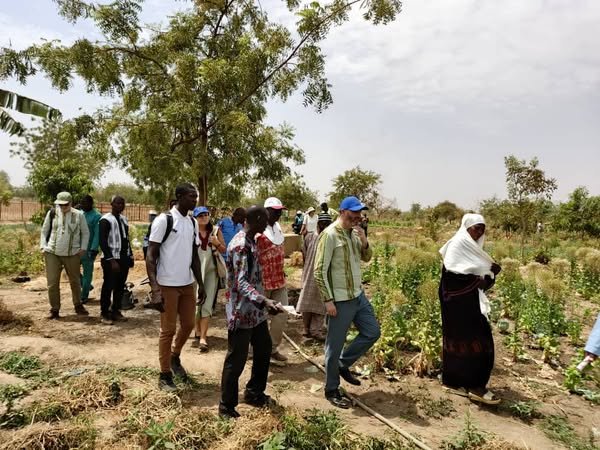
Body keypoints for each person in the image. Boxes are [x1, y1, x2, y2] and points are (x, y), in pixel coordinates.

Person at [219, 206, 285, 419]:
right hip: (241, 311)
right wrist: (265, 300)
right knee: (236, 360)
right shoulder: (240, 245)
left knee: (264, 349)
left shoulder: (251, 241)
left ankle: (254, 392)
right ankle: (226, 407)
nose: (267, 224)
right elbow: (241, 283)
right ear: (255, 219)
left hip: (255, 312)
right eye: (264, 220)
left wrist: (263, 303)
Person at [314, 196, 380, 409]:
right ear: (342, 211)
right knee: (334, 346)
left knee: (372, 331)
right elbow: (319, 271)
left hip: (357, 295)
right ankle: (331, 389)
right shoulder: (330, 235)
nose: (358, 217)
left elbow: (367, 258)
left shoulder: (354, 233)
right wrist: (328, 300)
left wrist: (365, 240)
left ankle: (343, 364)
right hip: (340, 300)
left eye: (359, 214)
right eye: (353, 214)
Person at [146, 183, 206, 392]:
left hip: (187, 284)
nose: (194, 200)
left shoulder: (191, 221)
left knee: (189, 324)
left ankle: (175, 356)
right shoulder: (165, 220)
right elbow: (151, 255)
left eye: (196, 196)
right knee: (168, 330)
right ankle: (164, 374)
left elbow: (194, 257)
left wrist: (201, 284)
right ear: (179, 196)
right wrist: (155, 289)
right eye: (191, 196)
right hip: (167, 284)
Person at [438, 213, 502, 405]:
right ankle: (475, 386)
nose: (479, 232)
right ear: (466, 228)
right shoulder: (458, 245)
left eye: (482, 228)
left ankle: (455, 382)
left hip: (468, 303)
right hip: (456, 304)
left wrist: (489, 276)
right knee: (478, 343)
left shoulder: (473, 249)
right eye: (476, 228)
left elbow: (479, 281)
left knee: (464, 342)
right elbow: (452, 280)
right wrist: (483, 278)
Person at [40, 192, 90, 319]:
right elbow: (44, 230)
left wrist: (83, 248)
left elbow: (85, 233)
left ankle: (78, 305)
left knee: (75, 281)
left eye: (65, 205)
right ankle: (54, 309)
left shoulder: (79, 215)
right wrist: (43, 246)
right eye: (60, 205)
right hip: (52, 252)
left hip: (72, 253)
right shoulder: (52, 213)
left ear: (71, 203)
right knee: (52, 283)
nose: (63, 207)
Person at [257, 197, 289, 366]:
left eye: (280, 211)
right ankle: (256, 351)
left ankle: (272, 349)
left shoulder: (277, 227)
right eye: (275, 211)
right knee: (259, 319)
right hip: (262, 282)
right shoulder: (258, 230)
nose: (278, 214)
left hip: (278, 280)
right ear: (266, 211)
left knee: (282, 314)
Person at [192, 206, 226, 352]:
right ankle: (197, 329)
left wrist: (216, 243)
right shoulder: (191, 232)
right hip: (193, 273)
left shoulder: (215, 230)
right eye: (200, 216)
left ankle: (203, 337)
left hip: (211, 272)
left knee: (207, 303)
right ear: (195, 218)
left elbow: (224, 249)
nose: (204, 217)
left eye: (206, 215)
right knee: (194, 304)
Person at [296, 212, 332, 343]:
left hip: (324, 275)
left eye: (327, 224)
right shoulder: (309, 237)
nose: (324, 226)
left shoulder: (330, 238)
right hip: (309, 272)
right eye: (322, 223)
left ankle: (315, 330)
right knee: (306, 302)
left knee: (321, 303)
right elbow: (304, 253)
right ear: (318, 224)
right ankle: (306, 329)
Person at [98, 196, 134, 325]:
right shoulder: (105, 220)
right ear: (112, 204)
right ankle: (104, 312)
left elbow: (126, 239)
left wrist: (130, 255)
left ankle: (116, 310)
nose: (120, 205)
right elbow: (102, 241)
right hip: (111, 259)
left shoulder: (124, 219)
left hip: (123, 257)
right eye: (118, 203)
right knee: (108, 286)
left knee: (120, 286)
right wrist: (111, 259)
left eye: (122, 203)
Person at [79, 195, 101, 304]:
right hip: (76, 249)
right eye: (81, 203)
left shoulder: (96, 216)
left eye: (84, 203)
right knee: (71, 270)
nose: (82, 205)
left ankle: (84, 296)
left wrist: (94, 249)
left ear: (91, 203)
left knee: (87, 273)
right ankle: (86, 285)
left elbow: (97, 234)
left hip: (88, 249)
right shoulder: (80, 213)